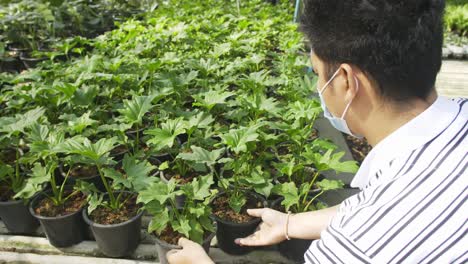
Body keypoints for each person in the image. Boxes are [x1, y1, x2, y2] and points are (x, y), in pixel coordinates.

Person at [166, 0, 467, 263]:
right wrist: (289, 224)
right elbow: (386, 206)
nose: (317, 87)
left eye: (316, 72)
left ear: (346, 82)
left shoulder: (356, 250)